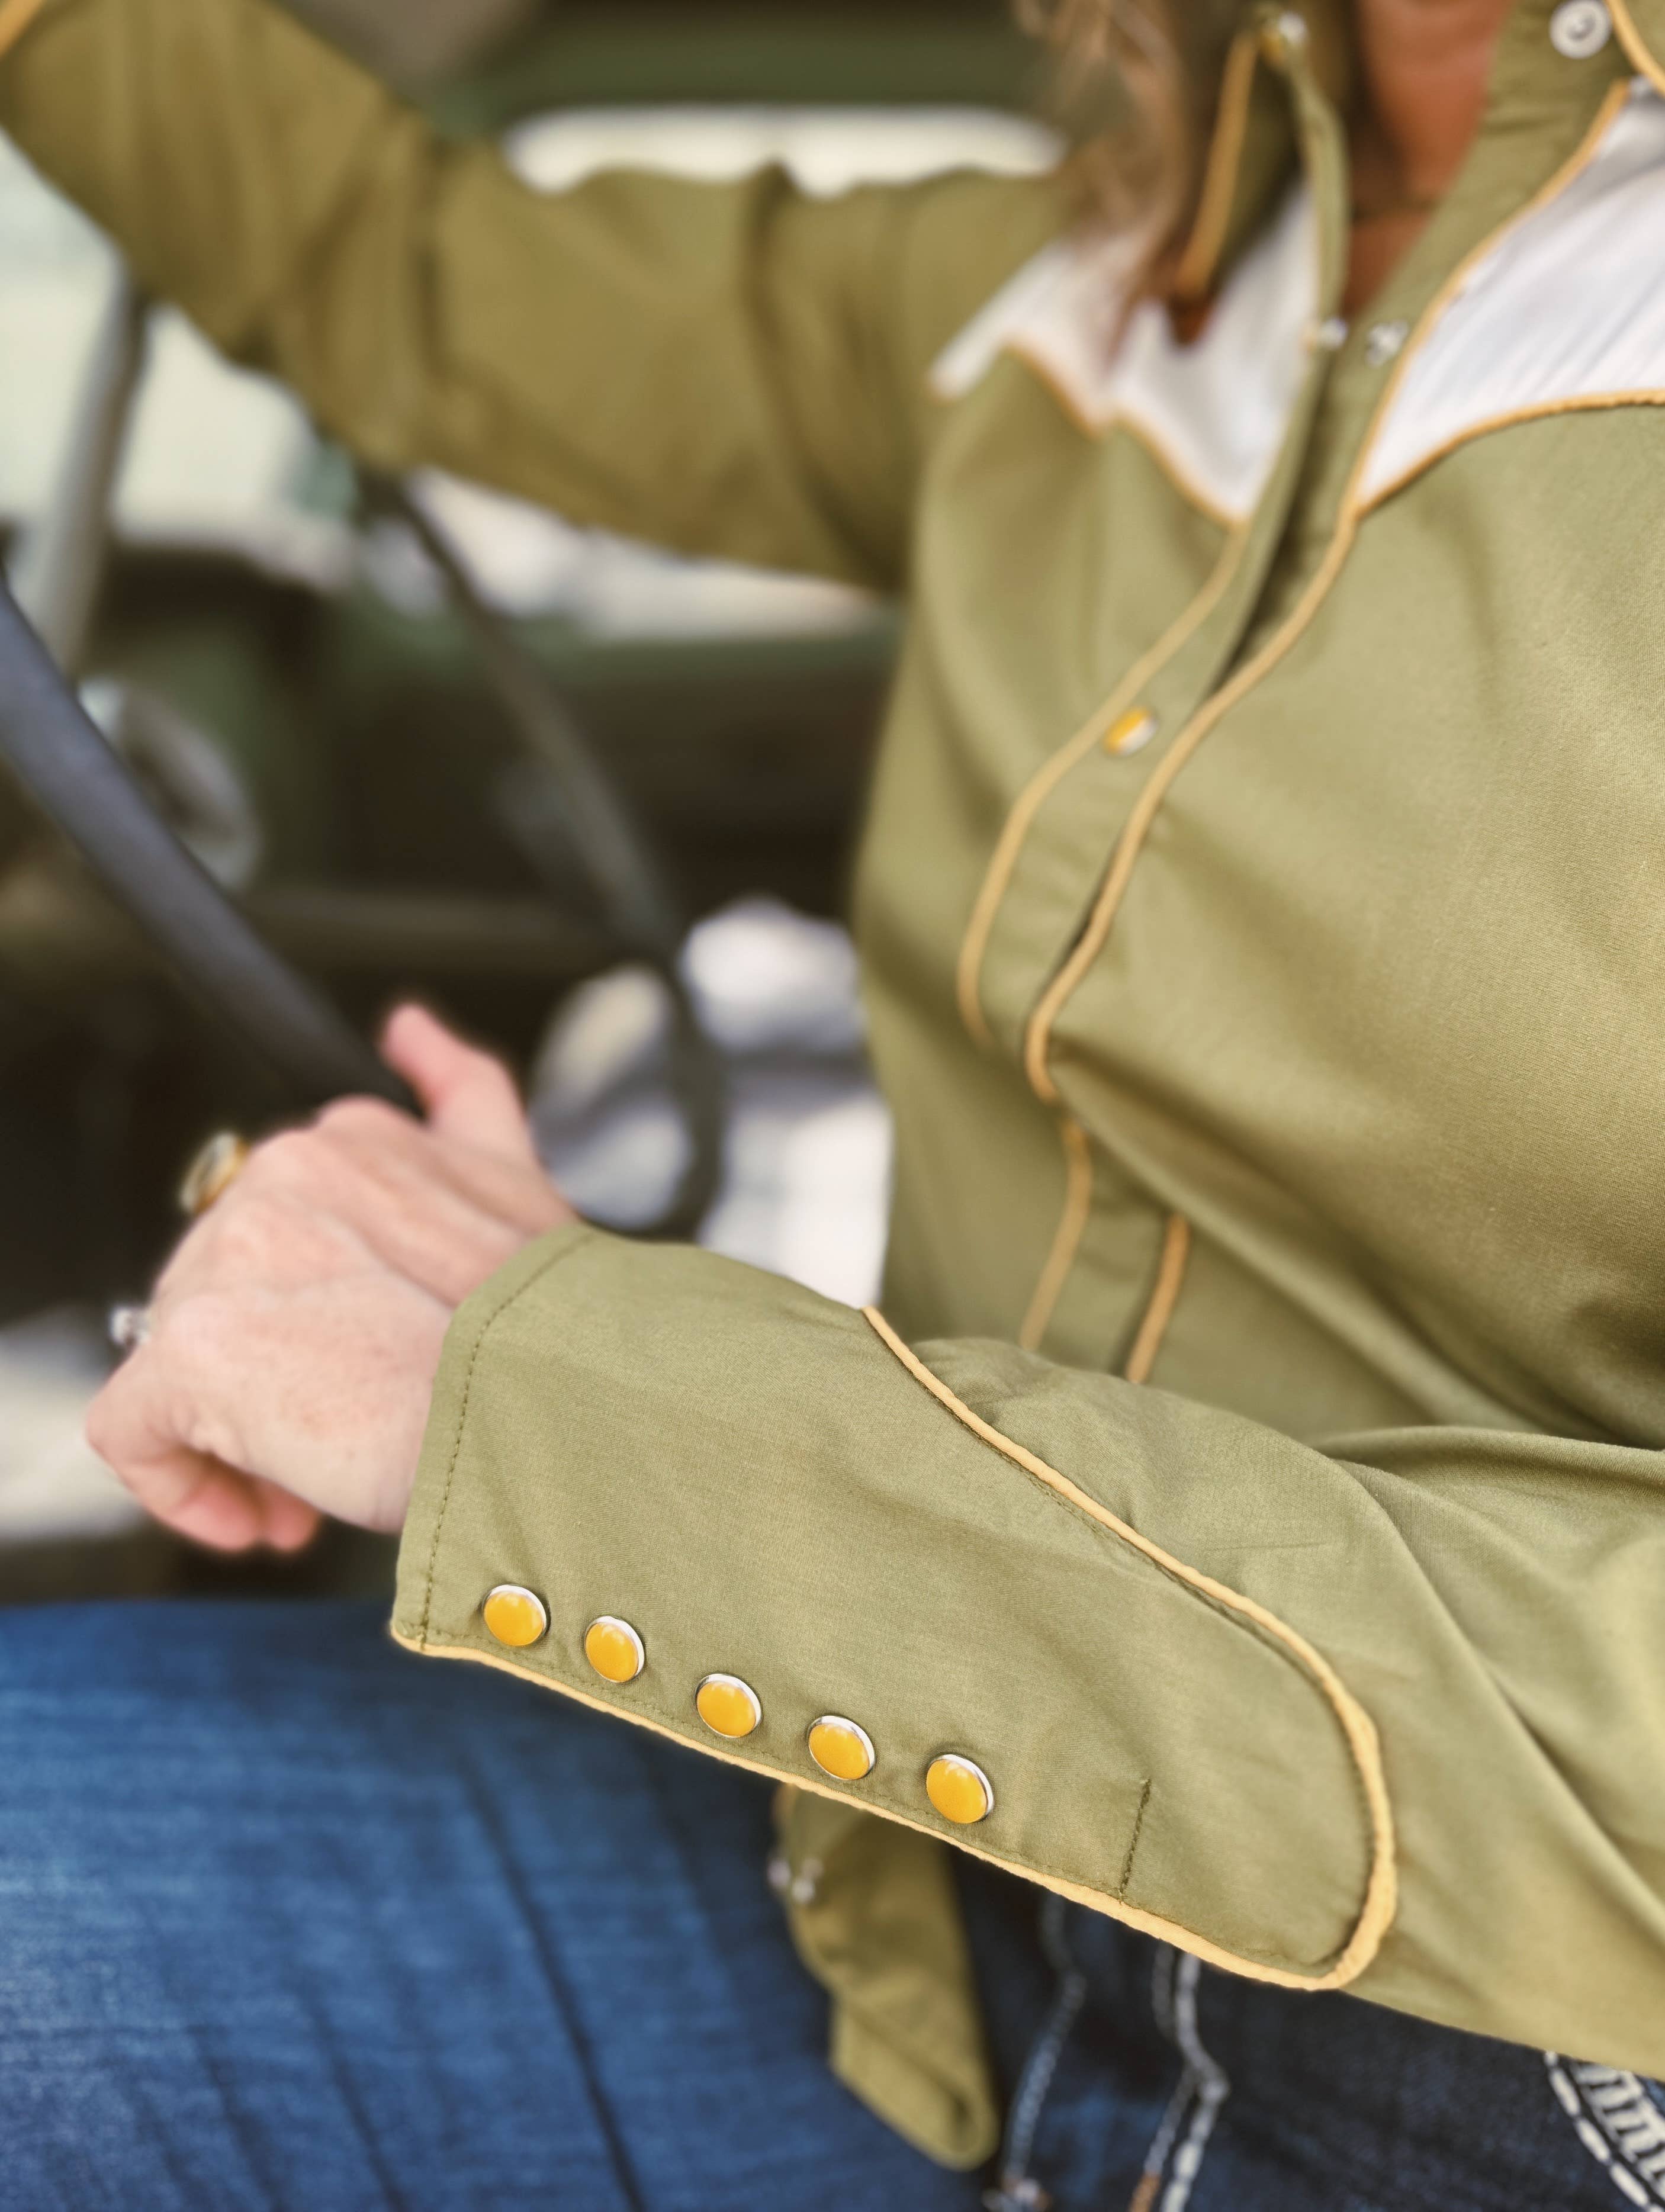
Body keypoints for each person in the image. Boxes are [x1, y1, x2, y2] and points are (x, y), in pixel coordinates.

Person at [1, 0, 1663, 2203]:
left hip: (1526, 2092)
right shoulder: (1092, 284)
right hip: (914, 1919)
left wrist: (614, 1413)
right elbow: (400, 267)